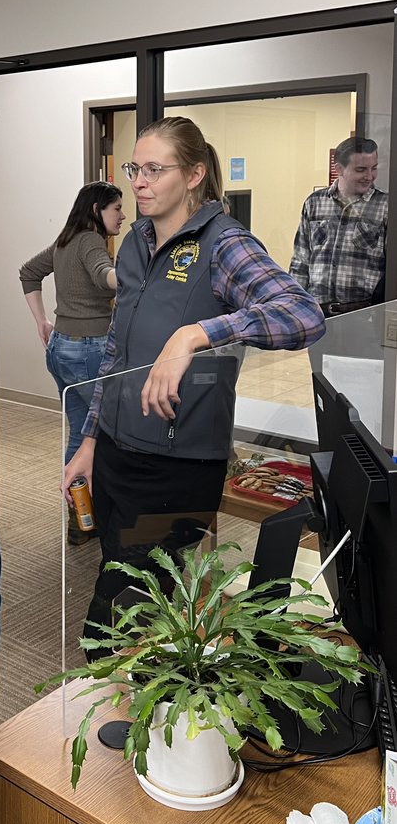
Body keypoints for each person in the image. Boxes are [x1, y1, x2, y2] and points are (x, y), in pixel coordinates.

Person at [63, 116, 325, 636]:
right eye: (136, 168)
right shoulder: (136, 241)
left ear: (194, 175)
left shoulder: (225, 244)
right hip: (117, 449)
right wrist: (90, 439)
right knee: (129, 582)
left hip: (175, 466)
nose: (138, 180)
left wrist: (197, 333)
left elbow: (302, 314)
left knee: (116, 621)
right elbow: (117, 351)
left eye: (155, 169)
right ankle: (154, 709)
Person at [19, 181, 125, 544]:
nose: (123, 216)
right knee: (101, 435)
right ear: (97, 210)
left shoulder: (65, 241)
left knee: (81, 433)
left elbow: (28, 272)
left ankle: (81, 519)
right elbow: (103, 275)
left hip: (61, 347)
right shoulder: (91, 241)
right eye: (117, 209)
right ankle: (92, 518)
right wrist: (134, 277)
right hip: (91, 350)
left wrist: (41, 322)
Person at [289, 136, 388, 316]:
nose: (369, 176)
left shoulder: (386, 206)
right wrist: (295, 307)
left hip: (365, 316)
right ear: (339, 169)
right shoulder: (315, 203)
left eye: (373, 168)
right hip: (319, 314)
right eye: (361, 169)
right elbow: (300, 262)